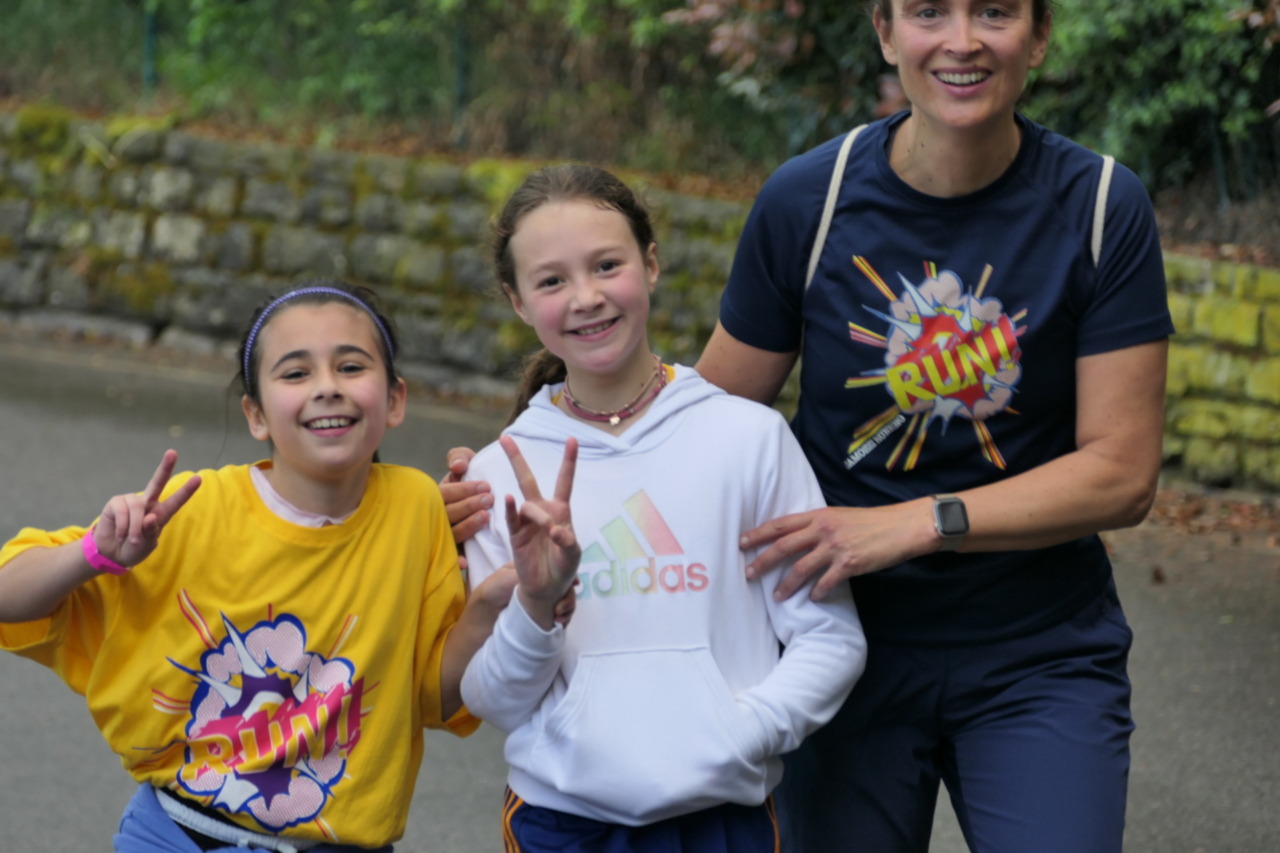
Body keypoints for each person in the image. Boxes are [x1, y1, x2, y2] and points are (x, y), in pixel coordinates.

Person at [446, 2, 1174, 851]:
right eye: (928, 11)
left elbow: (1121, 474)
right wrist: (507, 480)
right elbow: (691, 426)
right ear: (885, 32)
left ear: (1040, 35)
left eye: (995, 10)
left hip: (1036, 646)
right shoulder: (811, 200)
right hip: (839, 644)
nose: (962, 39)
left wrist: (916, 522)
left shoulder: (1101, 205)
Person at [0, 282, 517, 853]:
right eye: (295, 373)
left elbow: (433, 698)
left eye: (350, 366)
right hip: (176, 836)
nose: (327, 387)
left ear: (395, 399)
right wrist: (94, 554)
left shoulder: (417, 508)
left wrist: (492, 605)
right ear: (256, 414)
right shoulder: (187, 511)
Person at [456, 164, 867, 852]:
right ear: (517, 301)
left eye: (606, 265)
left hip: (726, 820)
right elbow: (493, 700)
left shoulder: (748, 438)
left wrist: (743, 731)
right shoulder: (499, 476)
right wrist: (537, 604)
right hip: (561, 826)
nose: (586, 297)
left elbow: (830, 638)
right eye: (551, 281)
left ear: (650, 264)